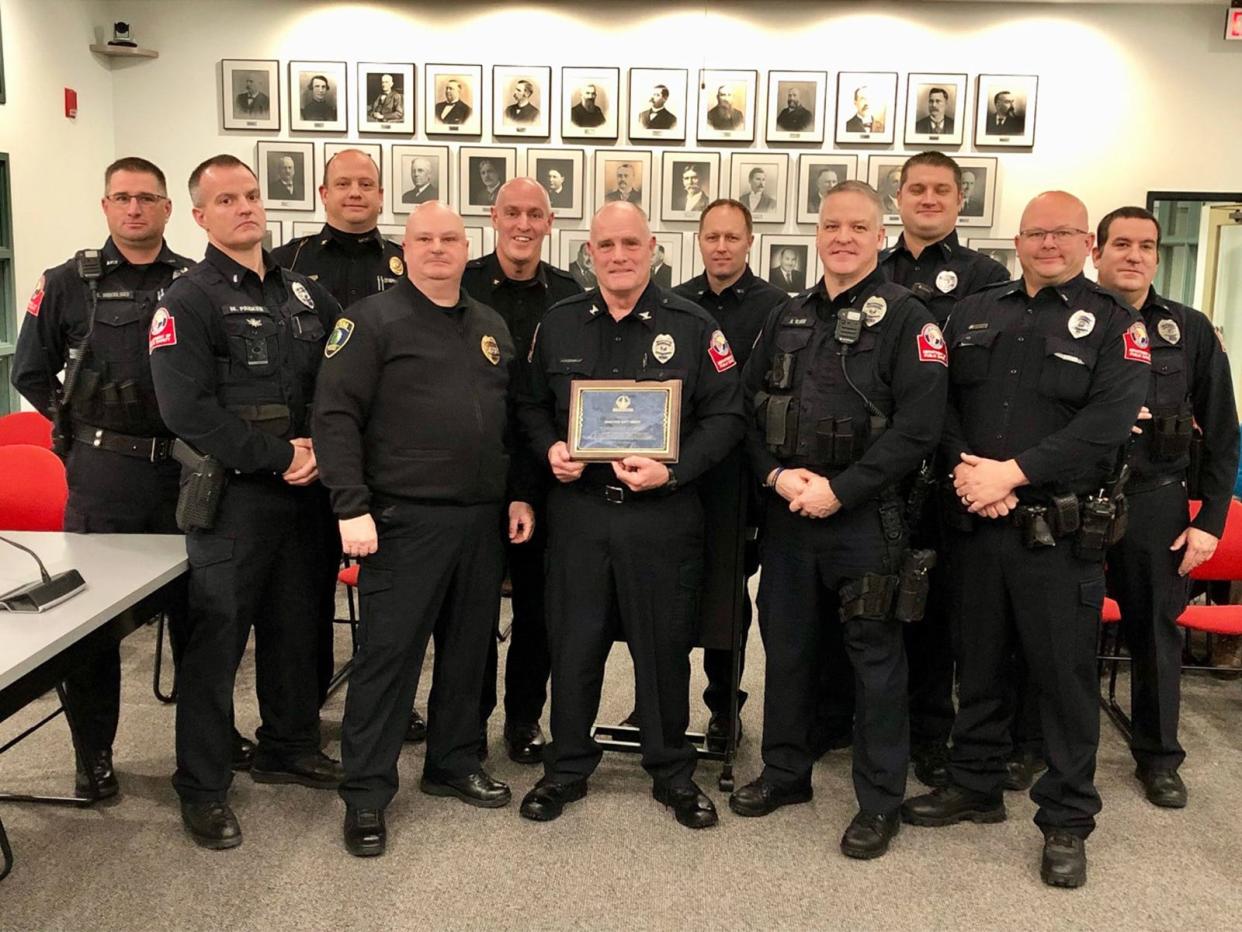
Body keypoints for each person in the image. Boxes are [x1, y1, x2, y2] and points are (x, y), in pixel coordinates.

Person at [901, 191, 1150, 889]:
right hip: (977, 521)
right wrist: (967, 470)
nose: (1048, 243)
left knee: (1063, 680)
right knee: (975, 662)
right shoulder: (975, 310)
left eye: (1063, 233)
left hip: (1058, 531)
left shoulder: (1114, 325)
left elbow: (1107, 421)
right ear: (1018, 239)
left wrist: (1012, 472)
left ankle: (1067, 817)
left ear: (1086, 244)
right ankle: (975, 782)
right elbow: (938, 403)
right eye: (1037, 232)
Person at [729, 180, 947, 862]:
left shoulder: (913, 320)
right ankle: (786, 772)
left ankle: (879, 802)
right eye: (832, 226)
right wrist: (774, 474)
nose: (843, 237)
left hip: (866, 520)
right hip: (792, 514)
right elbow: (744, 410)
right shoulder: (787, 318)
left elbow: (918, 430)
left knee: (874, 662)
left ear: (879, 236)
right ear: (816, 235)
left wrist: (842, 490)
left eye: (857, 226)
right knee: (788, 651)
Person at [313, 201, 535, 857]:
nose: (438, 248)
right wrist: (349, 505)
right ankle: (365, 794)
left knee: (470, 653)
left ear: (468, 247)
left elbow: (511, 423)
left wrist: (520, 494)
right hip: (399, 521)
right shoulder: (369, 322)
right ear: (403, 250)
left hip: (479, 521)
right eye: (424, 238)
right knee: (389, 660)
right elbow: (334, 417)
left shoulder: (490, 325)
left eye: (450, 238)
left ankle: (453, 763)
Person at [9, 157, 232, 802]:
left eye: (147, 199)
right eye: (122, 198)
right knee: (93, 629)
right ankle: (94, 754)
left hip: (189, 471)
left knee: (203, 619)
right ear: (106, 207)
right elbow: (29, 371)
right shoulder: (66, 283)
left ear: (169, 211)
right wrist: (78, 419)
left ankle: (206, 751)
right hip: (105, 475)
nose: (135, 210)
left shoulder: (199, 282)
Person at [516, 201, 745, 829]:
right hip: (580, 513)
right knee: (575, 642)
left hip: (662, 515)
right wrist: (550, 449)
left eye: (630, 245)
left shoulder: (694, 326)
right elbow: (531, 406)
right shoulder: (558, 323)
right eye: (606, 246)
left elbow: (727, 418)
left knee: (663, 646)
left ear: (653, 249)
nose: (618, 257)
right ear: (589, 253)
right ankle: (566, 767)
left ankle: (672, 771)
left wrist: (674, 470)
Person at [150, 155, 343, 850]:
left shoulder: (306, 296)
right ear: (200, 216)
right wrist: (279, 456)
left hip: (304, 496)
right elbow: (186, 411)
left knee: (301, 628)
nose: (245, 207)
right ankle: (201, 785)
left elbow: (342, 383)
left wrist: (320, 449)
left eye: (253, 195)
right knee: (217, 644)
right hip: (232, 499)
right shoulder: (187, 299)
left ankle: (288, 744)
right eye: (226, 199)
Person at [1092, 206, 1237, 807]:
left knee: (1155, 633)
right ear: (1095, 253)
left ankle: (1158, 756)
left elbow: (1225, 435)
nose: (1133, 255)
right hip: (1073, 497)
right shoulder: (1066, 319)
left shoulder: (1189, 329)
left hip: (1156, 503)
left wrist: (1209, 522)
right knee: (1055, 632)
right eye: (1120, 243)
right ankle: (1037, 743)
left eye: (1145, 246)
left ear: (1156, 256)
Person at [874, 151, 1010, 788]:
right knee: (866, 600)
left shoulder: (988, 276)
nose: (928, 199)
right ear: (897, 197)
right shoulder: (871, 267)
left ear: (961, 201)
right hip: (880, 467)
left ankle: (930, 732)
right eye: (916, 189)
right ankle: (855, 720)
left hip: (953, 471)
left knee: (931, 610)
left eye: (941, 191)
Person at [270, 148, 409, 716]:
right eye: (343, 183)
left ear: (381, 196)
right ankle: (303, 710)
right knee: (304, 598)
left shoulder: (409, 262)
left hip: (389, 456)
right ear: (323, 194)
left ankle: (390, 703)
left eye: (367, 184)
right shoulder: (284, 263)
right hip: (309, 453)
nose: (356, 193)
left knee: (389, 593)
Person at [457, 178, 583, 765]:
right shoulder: (461, 284)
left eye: (536, 214)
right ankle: (469, 719)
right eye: (513, 213)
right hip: (473, 470)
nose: (524, 224)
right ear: (494, 217)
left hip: (544, 471)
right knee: (473, 607)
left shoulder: (568, 295)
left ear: (550, 222)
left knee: (539, 608)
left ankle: (524, 718)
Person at [672, 199, 789, 746]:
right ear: (699, 240)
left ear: (749, 241)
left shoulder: (777, 308)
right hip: (679, 471)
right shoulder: (674, 303)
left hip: (742, 477)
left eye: (732, 237)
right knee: (669, 584)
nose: (721, 246)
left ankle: (724, 706)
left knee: (728, 592)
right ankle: (662, 700)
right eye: (712, 237)